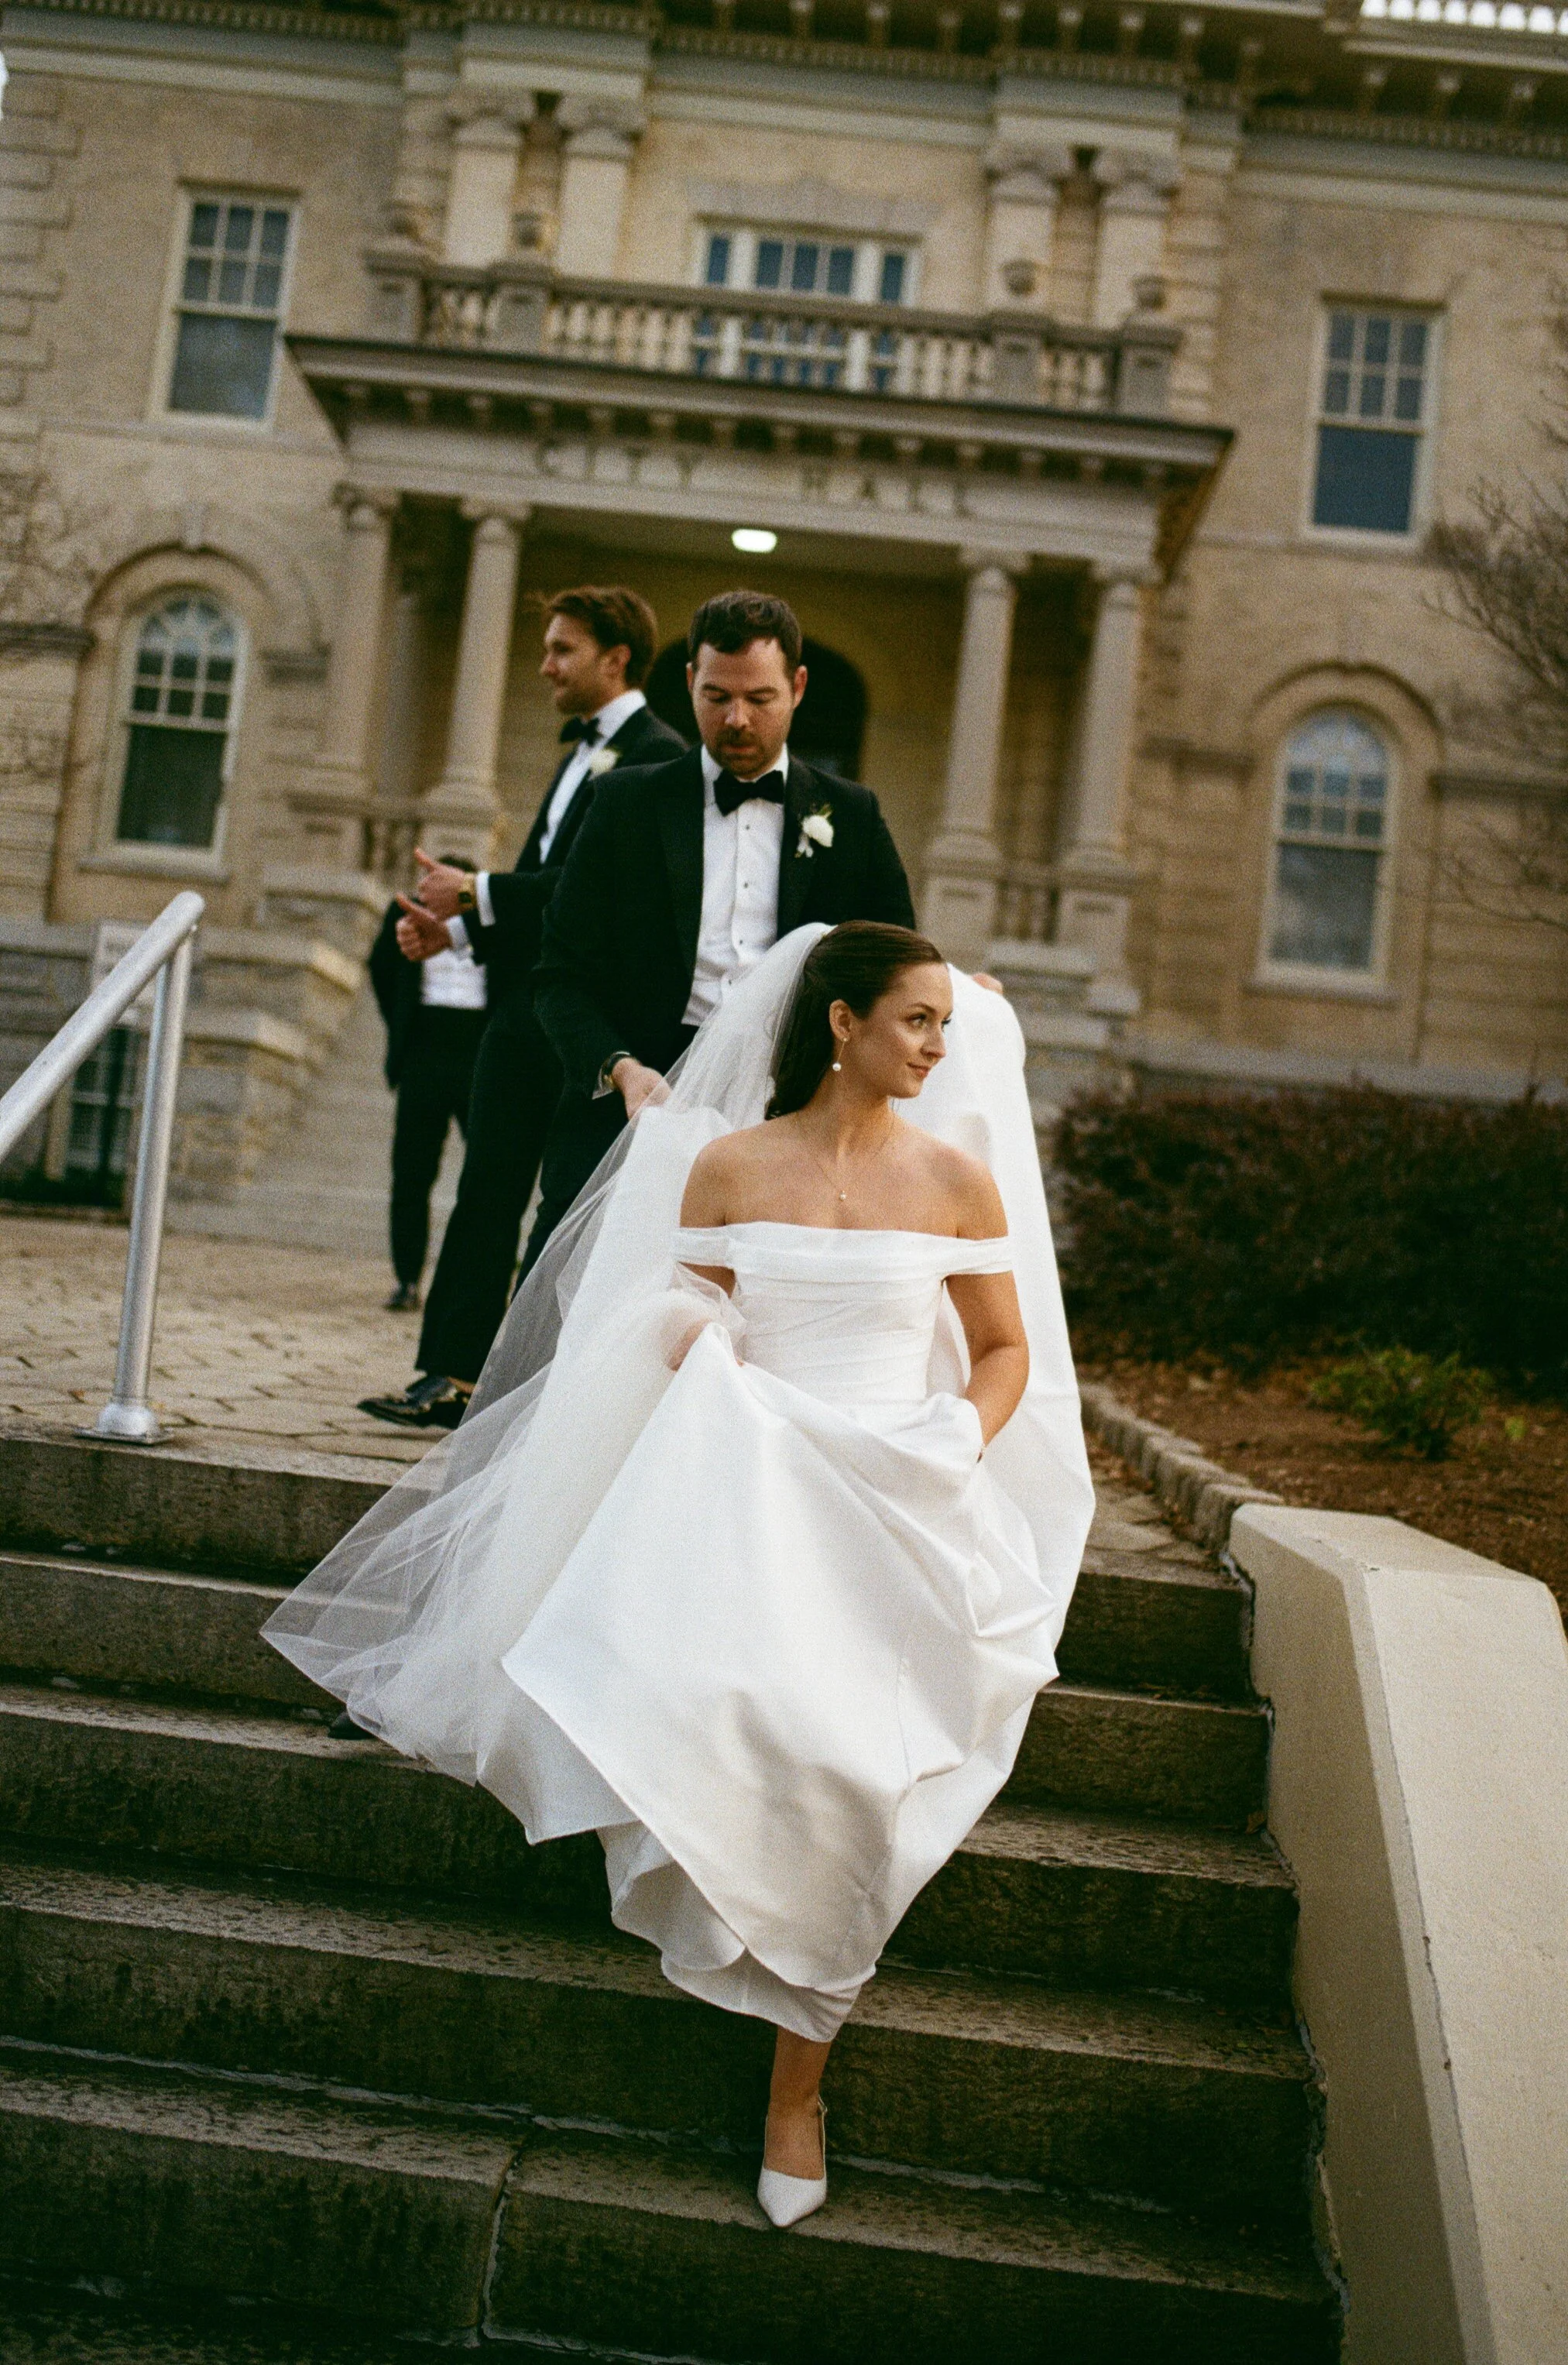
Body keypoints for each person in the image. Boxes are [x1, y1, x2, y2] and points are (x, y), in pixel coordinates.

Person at [262, 919, 1096, 2232]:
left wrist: (949, 1439)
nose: (945, 1044)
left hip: (900, 1491)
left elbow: (1003, 1354)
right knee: (708, 1695)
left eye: (945, 1022)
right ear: (841, 1022)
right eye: (920, 1019)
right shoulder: (726, 1165)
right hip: (748, 1483)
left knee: (864, 1767)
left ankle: (795, 2084)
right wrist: (694, 1345)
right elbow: (688, 1308)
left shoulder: (958, 1180)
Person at [360, 586, 684, 1430]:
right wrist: (459, 934)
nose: (545, 665)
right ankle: (447, 1374)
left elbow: (591, 898)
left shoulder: (657, 754)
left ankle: (515, 1393)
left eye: (562, 650)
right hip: (519, 1012)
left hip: (586, 1026)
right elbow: (551, 909)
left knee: (559, 1211)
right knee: (484, 1192)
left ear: (615, 659)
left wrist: (476, 891)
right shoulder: (579, 751)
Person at [520, 587, 914, 1276]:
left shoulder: (851, 815)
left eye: (759, 700)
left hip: (786, 1108)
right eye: (714, 696)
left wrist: (955, 990)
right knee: (569, 1305)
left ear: (796, 686)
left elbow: (896, 962)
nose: (735, 720)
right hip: (636, 1102)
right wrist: (620, 1070)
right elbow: (559, 976)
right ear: (687, 684)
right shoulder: (623, 804)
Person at [366, 871, 487, 1313]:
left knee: (486, 1172)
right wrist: (400, 1024)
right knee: (412, 1172)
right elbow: (381, 966)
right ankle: (407, 1280)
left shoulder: (487, 917)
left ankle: (474, 1279)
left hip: (478, 1051)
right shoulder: (403, 915)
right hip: (424, 1053)